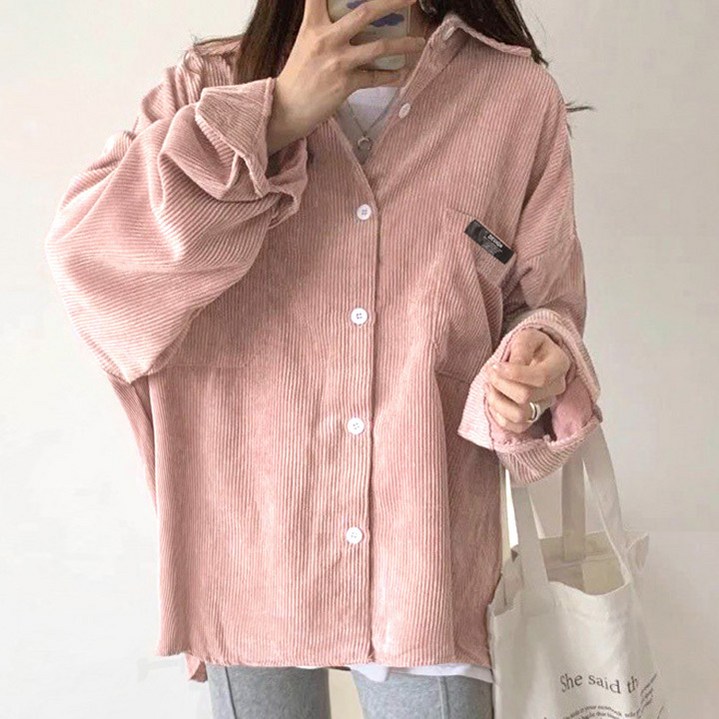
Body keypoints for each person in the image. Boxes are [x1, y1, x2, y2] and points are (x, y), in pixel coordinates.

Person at [43, 0, 603, 715]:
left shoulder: (513, 99)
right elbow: (92, 268)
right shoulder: (211, 86)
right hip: (251, 545)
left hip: (423, 553)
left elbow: (543, 303)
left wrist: (538, 361)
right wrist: (271, 121)